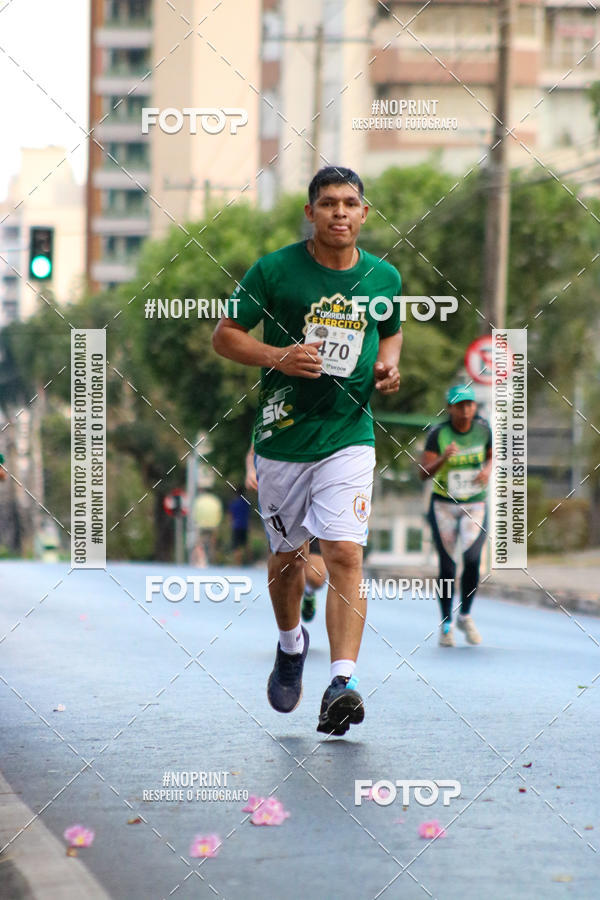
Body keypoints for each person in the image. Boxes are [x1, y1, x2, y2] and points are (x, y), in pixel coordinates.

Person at [213, 165, 402, 735]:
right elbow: (225, 337)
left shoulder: (383, 277)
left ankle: (342, 683)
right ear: (310, 212)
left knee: (344, 552)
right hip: (283, 437)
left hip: (349, 434)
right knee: (289, 556)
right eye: (327, 203)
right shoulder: (274, 272)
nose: (339, 213)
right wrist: (277, 356)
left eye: (349, 203)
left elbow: (388, 329)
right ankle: (291, 643)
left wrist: (391, 366)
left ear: (364, 213)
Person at [419, 384, 492, 647]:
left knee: (472, 560)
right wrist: (443, 459)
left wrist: (486, 470)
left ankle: (466, 614)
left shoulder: (484, 430)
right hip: (443, 506)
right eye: (460, 405)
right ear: (450, 408)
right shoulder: (438, 434)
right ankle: (446, 622)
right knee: (448, 567)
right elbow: (422, 473)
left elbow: (492, 456)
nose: (465, 410)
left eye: (469, 404)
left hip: (474, 504)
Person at [245, 445, 326, 621]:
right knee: (288, 565)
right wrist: (251, 471)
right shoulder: (276, 419)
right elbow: (254, 449)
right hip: (285, 500)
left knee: (316, 577)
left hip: (317, 499)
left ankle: (309, 592)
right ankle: (291, 638)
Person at [191, 490, 223, 567]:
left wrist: (195, 523)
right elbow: (219, 512)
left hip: (201, 524)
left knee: (199, 543)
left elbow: (194, 513)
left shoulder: (199, 500)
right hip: (213, 524)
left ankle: (201, 561)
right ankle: (211, 561)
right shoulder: (215, 500)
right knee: (212, 544)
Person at [228, 485, 251, 565]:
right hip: (244, 525)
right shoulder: (246, 503)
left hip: (236, 526)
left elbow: (231, 516)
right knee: (246, 544)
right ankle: (249, 561)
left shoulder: (233, 503)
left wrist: (230, 524)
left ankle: (238, 563)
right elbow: (248, 514)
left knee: (236, 546)